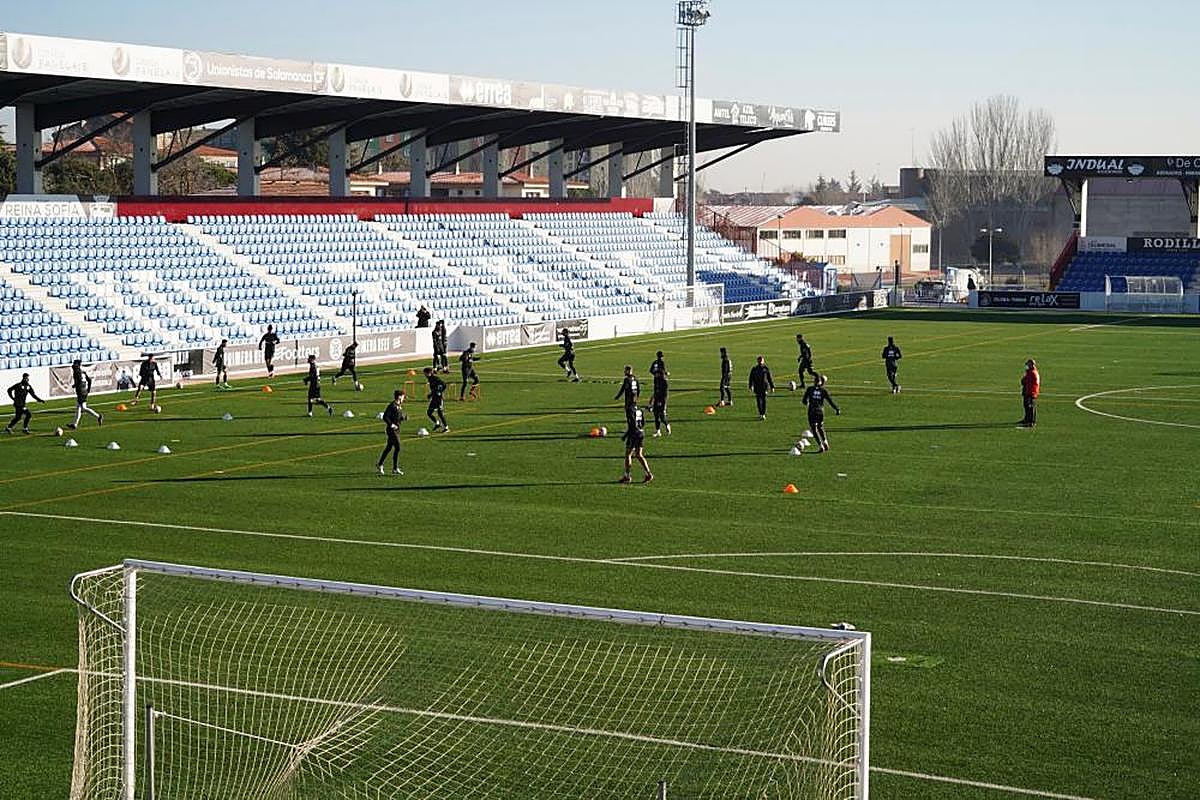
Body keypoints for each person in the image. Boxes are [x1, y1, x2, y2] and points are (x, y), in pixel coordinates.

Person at [802, 374, 841, 452]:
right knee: (820, 427)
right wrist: (837, 409)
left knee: (814, 428)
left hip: (812, 411)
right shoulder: (824, 391)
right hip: (820, 411)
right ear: (821, 382)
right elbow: (830, 401)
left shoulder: (810, 389)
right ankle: (825, 441)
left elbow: (804, 401)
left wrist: (807, 402)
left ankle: (820, 445)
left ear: (814, 382)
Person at [619, 405, 653, 484]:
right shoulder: (639, 410)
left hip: (634, 434)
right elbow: (643, 422)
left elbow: (632, 425)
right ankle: (648, 474)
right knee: (639, 454)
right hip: (641, 433)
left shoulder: (630, 410)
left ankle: (627, 476)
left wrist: (626, 435)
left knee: (628, 454)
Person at [377, 390, 406, 475]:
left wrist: (403, 417)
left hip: (397, 430)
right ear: (399, 396)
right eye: (403, 396)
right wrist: (391, 424)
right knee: (398, 447)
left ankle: (380, 464)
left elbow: (397, 416)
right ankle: (395, 468)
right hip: (392, 430)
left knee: (389, 447)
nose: (404, 398)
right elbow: (385, 416)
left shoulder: (399, 406)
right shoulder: (392, 406)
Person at [69, 359, 102, 430]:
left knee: (83, 408)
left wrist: (75, 385)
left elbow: (79, 381)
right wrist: (88, 389)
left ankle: (98, 416)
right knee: (79, 407)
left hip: (81, 392)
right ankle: (75, 424)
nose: (73, 365)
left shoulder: (76, 372)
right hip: (84, 391)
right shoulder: (82, 372)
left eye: (74, 364)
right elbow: (89, 380)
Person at [748, 355, 775, 421]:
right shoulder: (754, 369)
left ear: (763, 361)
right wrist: (750, 385)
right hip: (757, 387)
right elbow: (751, 378)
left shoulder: (765, 368)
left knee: (764, 400)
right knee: (758, 401)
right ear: (757, 361)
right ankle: (761, 413)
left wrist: (772, 386)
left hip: (764, 387)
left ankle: (763, 413)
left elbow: (769, 378)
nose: (760, 362)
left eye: (761, 360)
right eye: (759, 360)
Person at [424, 366, 449, 432]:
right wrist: (431, 394)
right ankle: (437, 424)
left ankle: (446, 427)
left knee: (440, 413)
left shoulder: (435, 378)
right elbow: (434, 389)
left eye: (425, 373)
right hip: (434, 398)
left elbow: (443, 384)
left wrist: (440, 391)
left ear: (429, 373)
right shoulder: (429, 379)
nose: (425, 375)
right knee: (429, 413)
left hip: (439, 398)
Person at [650, 361, 671, 437]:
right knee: (655, 414)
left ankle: (667, 424)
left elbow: (665, 393)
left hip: (662, 399)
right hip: (657, 398)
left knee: (661, 415)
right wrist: (652, 400)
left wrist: (662, 402)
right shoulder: (656, 380)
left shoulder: (664, 382)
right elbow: (655, 390)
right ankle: (658, 431)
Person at [1020, 358, 1040, 427]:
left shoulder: (1031, 373)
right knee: (1027, 406)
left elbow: (1024, 381)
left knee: (1030, 407)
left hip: (1030, 392)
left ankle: (1031, 421)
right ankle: (1027, 419)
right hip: (1030, 391)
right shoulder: (1032, 372)